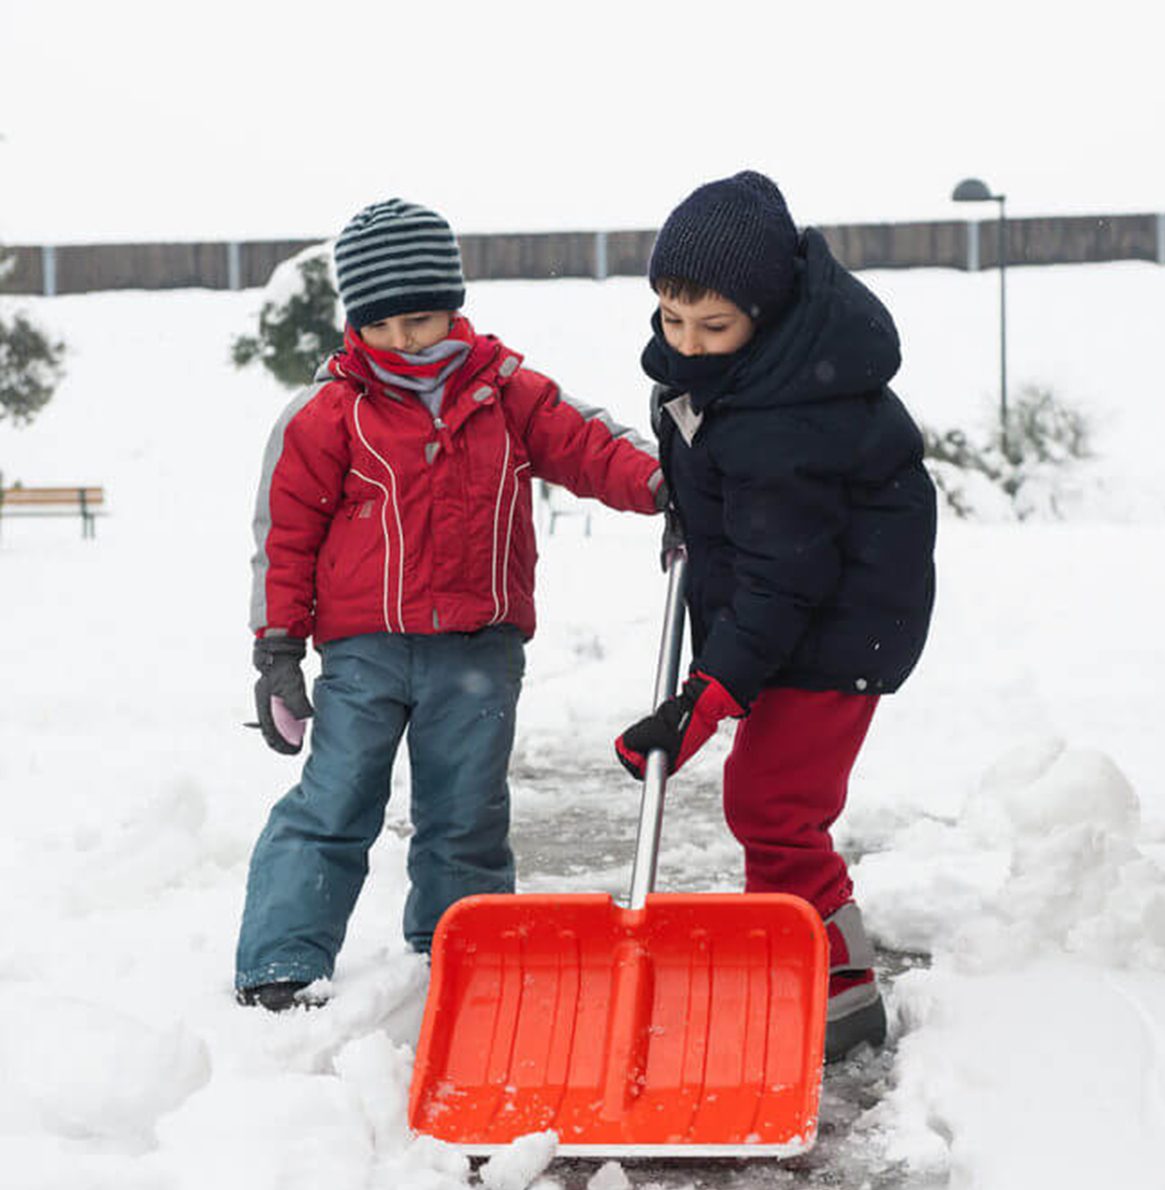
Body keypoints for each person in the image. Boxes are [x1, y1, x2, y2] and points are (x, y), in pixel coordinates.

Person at [237, 197, 665, 1011]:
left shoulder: (506, 391)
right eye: (385, 326)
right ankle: (283, 961)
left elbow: (589, 446)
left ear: (454, 306)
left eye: (424, 320)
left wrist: (664, 483)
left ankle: (459, 943)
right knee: (336, 801)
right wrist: (278, 648)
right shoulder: (330, 414)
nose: (406, 342)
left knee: (466, 810)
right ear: (356, 323)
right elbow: (284, 535)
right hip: (365, 651)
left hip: (478, 646)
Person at [614, 171, 936, 1062]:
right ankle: (801, 957)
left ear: (770, 310)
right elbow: (739, 512)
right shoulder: (723, 381)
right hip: (796, 611)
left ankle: (839, 988)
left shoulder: (788, 415)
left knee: (773, 804)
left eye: (714, 327)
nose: (690, 344)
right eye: (673, 321)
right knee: (772, 805)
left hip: (838, 629)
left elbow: (784, 575)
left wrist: (704, 699)